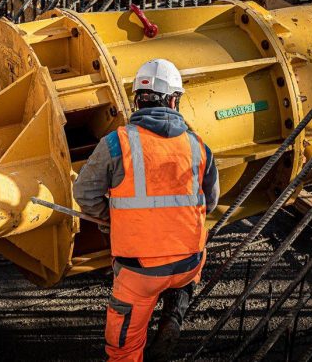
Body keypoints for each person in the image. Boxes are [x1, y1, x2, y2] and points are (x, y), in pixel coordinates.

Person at [74, 58, 219, 362]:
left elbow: (84, 194)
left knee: (124, 349)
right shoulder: (198, 145)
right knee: (197, 250)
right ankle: (177, 306)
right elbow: (211, 202)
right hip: (188, 263)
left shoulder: (117, 143)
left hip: (139, 272)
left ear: (137, 100)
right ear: (174, 100)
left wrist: (114, 218)